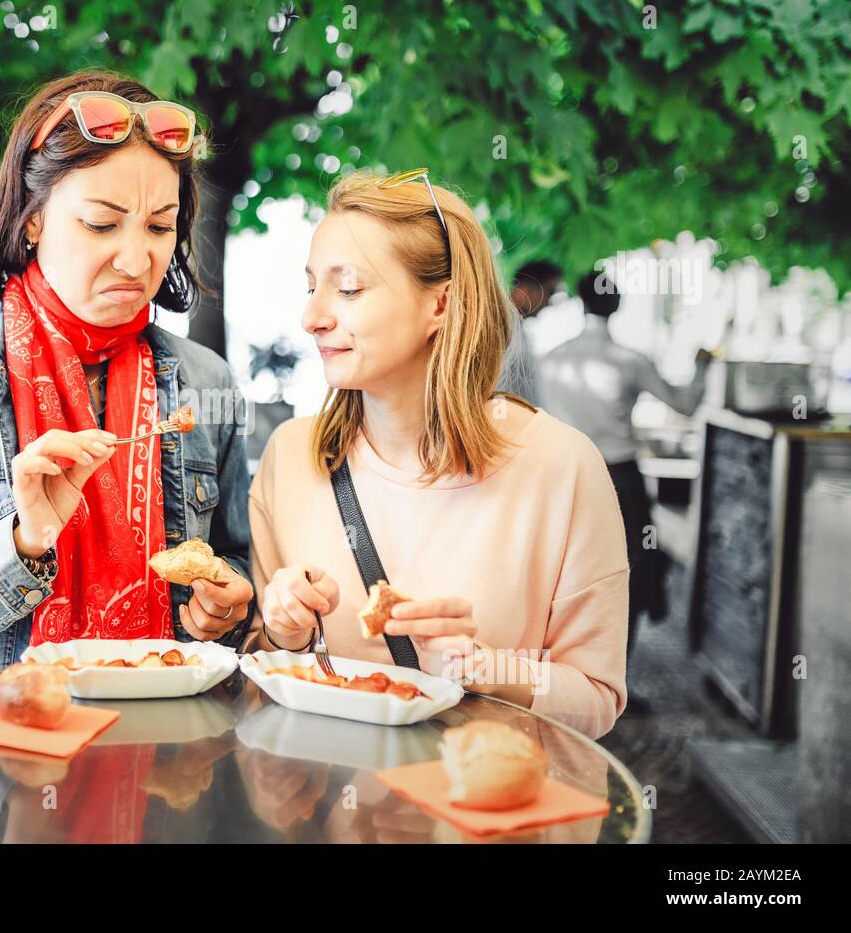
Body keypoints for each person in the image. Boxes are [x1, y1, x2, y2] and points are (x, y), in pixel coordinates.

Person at [0, 71, 254, 704]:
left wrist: (222, 613)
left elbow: (235, 577)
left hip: (164, 771)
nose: (136, 259)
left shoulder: (208, 386)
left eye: (159, 226)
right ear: (33, 220)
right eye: (101, 224)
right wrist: (20, 544)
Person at [248, 170, 630, 740]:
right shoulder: (291, 458)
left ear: (442, 305)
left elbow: (597, 700)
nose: (312, 317)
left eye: (348, 288)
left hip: (481, 817)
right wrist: (283, 631)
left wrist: (484, 667)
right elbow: (263, 671)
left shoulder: (563, 467)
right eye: (311, 287)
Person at [538, 269, 710, 671]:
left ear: (582, 303)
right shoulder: (630, 361)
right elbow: (684, 404)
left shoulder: (552, 359)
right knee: (624, 573)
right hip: (620, 479)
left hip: (561, 476)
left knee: (560, 571)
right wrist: (702, 366)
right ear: (617, 306)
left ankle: (558, 675)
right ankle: (612, 677)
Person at [495, 259, 563, 406]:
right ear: (526, 288)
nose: (550, 301)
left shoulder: (513, 326)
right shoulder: (501, 327)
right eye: (550, 292)